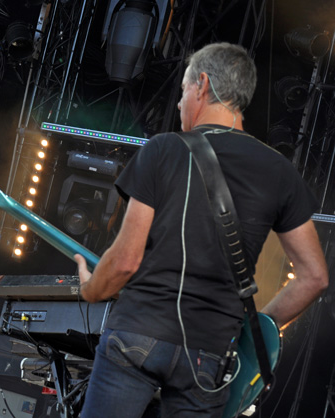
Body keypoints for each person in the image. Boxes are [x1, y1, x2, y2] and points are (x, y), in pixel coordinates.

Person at [74, 42, 329, 417]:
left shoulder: (162, 150)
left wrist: (90, 288)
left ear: (202, 85)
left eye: (181, 92)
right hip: (209, 355)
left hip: (139, 334)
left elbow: (125, 262)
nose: (179, 105)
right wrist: (256, 327)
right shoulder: (280, 172)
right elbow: (315, 277)